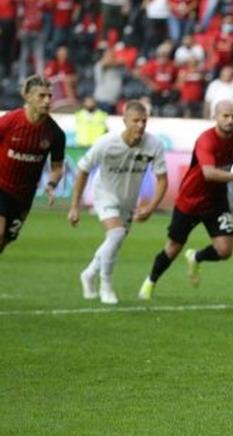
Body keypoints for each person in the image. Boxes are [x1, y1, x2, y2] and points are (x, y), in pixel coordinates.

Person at [138, 100, 233, 299]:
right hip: (191, 200)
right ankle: (150, 281)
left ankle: (195, 256)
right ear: (215, 117)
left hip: (216, 201)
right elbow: (209, 174)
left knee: (225, 250)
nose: (231, 120)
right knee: (172, 248)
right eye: (226, 116)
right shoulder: (206, 140)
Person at [68, 101, 168, 304]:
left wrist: (150, 208)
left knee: (114, 243)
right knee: (116, 234)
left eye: (144, 121)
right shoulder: (106, 143)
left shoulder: (153, 145)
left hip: (129, 199)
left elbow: (162, 180)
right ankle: (106, 286)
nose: (140, 125)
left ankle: (88, 274)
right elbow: (83, 170)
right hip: (104, 194)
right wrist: (74, 206)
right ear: (124, 121)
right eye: (135, 120)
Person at [0, 75, 66, 254]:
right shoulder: (9, 122)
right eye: (41, 96)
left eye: (49, 96)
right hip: (1, 186)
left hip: (24, 196)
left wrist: (52, 184)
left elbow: (57, 166)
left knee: (4, 242)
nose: (47, 101)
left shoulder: (55, 133)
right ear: (27, 96)